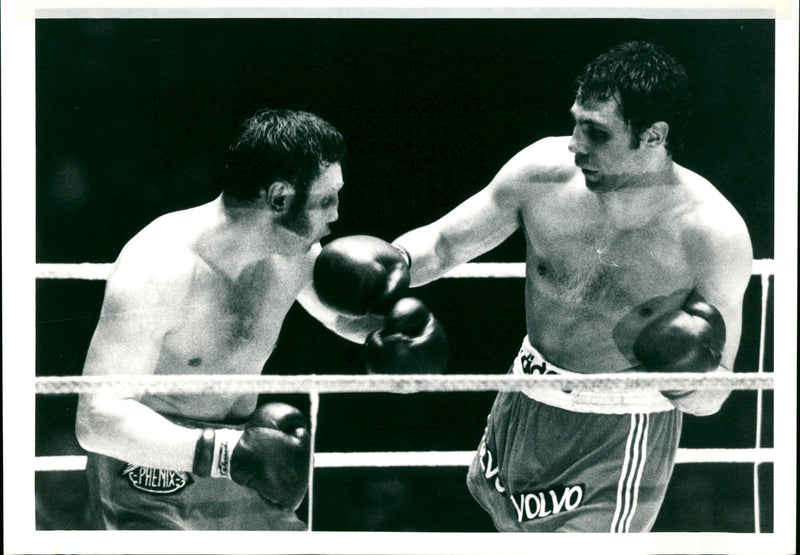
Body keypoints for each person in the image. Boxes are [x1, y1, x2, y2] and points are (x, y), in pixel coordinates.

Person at [387, 41, 753, 532]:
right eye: (577, 122)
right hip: (523, 397)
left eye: (597, 132)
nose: (576, 144)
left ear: (653, 136)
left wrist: (686, 373)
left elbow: (716, 394)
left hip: (618, 433)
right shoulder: (542, 173)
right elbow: (443, 244)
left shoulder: (711, 233)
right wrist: (389, 266)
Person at [75, 108, 446, 530]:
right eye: (326, 200)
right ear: (280, 198)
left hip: (246, 464)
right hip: (150, 474)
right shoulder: (159, 266)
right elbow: (96, 420)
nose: (337, 215)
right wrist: (228, 454)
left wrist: (394, 332)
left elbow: (340, 321)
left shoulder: (295, 256)